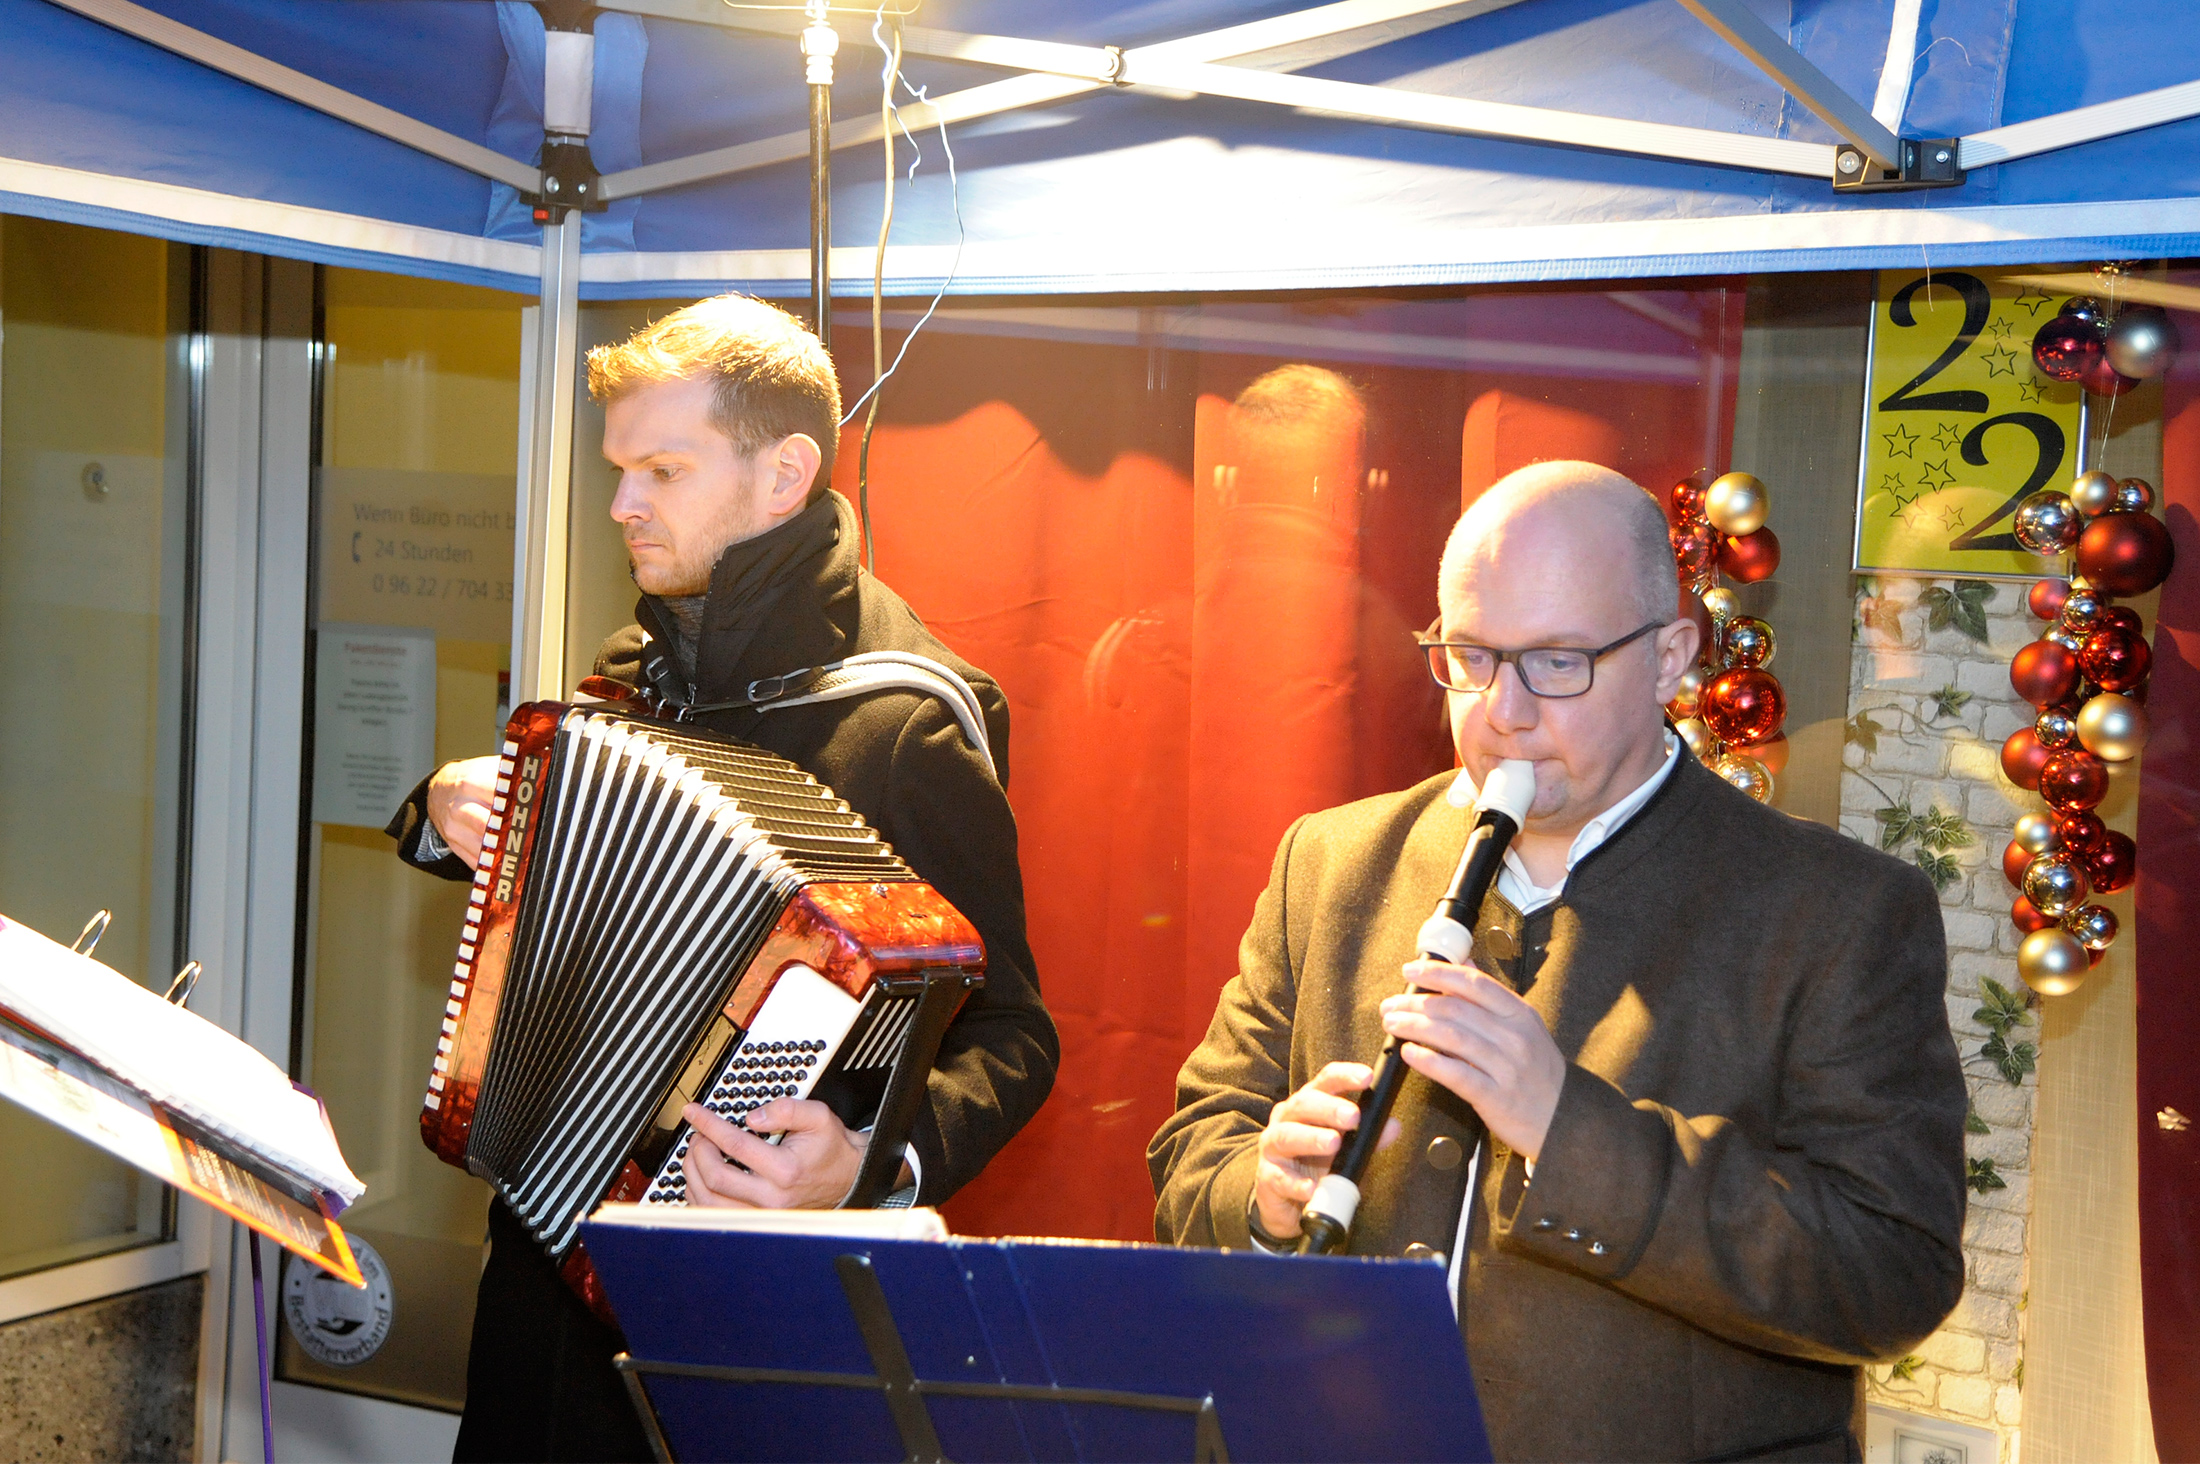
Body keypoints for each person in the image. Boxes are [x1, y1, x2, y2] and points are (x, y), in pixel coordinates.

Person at [1148, 461, 1967, 1462]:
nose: (1502, 710)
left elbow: (1889, 1278)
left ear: (1669, 659)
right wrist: (1261, 1194)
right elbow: (1197, 1152)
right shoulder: (1329, 861)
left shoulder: (1837, 912)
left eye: (1556, 663)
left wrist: (1563, 1128)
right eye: (1470, 655)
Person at [387, 294, 1058, 1462]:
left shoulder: (908, 723)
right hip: (543, 1279)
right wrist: (447, 812)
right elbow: (574, 892)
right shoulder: (632, 666)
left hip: (749, 1313)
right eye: (619, 469)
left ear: (783, 472)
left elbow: (1011, 1034)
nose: (621, 505)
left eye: (662, 468)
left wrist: (874, 1163)